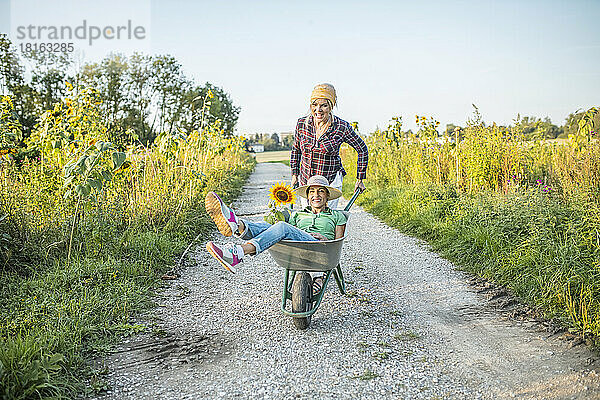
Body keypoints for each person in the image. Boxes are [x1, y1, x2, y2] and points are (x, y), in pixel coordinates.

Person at [205, 175, 347, 276]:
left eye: (320, 191)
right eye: (312, 191)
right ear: (307, 196)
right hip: (299, 245)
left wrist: (324, 238)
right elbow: (284, 234)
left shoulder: (337, 215)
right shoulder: (298, 214)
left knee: (282, 226)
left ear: (327, 196)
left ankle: (239, 250)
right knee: (272, 226)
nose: (316, 195)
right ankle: (237, 225)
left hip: (320, 247)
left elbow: (337, 243)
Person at [291, 83, 369, 209]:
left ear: (331, 106)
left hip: (330, 182)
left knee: (327, 221)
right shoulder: (302, 124)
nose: (318, 110)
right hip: (307, 182)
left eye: (324, 105)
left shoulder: (341, 127)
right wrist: (295, 175)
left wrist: (360, 179)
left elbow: (362, 149)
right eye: (314, 105)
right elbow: (296, 150)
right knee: (306, 222)